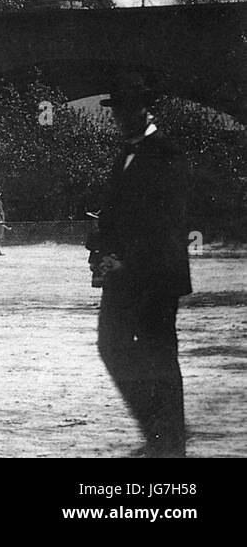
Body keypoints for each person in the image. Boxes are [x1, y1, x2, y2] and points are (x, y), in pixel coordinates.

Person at [92, 72, 192, 458]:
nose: (121, 117)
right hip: (122, 272)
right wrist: (101, 248)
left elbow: (168, 220)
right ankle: (159, 429)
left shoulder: (168, 153)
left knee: (159, 354)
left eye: (129, 109)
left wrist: (126, 258)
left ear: (146, 109)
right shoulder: (124, 155)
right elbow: (117, 214)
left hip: (156, 274)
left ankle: (170, 441)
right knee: (110, 345)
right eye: (117, 110)